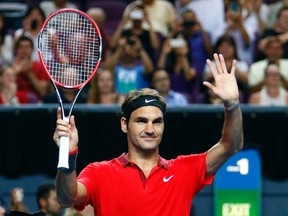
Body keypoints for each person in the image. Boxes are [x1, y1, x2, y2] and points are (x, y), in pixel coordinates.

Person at [53, 53, 243, 215]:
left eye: (157, 122)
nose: (150, 129)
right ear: (124, 124)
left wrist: (232, 104)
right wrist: (69, 156)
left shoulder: (184, 171)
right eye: (141, 121)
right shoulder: (100, 173)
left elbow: (230, 145)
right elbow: (66, 198)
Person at [12, 36, 49, 103]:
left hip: (36, 103)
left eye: (27, 47)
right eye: (21, 47)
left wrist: (29, 73)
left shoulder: (40, 66)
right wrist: (15, 72)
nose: (24, 50)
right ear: (17, 50)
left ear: (32, 49)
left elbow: (43, 92)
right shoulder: (11, 68)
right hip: (16, 102)